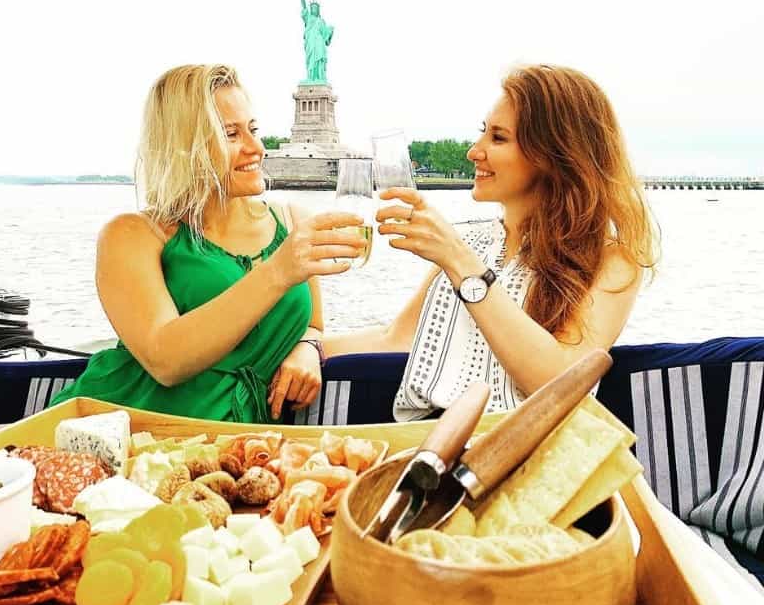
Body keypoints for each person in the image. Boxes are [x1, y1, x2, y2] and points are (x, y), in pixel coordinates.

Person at [326, 64, 660, 420]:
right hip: (432, 442)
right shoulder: (468, 240)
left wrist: (462, 265)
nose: (473, 151)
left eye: (498, 138)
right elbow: (396, 339)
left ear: (553, 154)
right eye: (483, 133)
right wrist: (304, 346)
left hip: (527, 459)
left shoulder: (613, 260)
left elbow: (559, 381)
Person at [50, 64, 365, 423]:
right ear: (183, 147)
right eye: (231, 135)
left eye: (253, 129)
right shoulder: (133, 235)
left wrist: (307, 348)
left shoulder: (293, 223)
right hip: (118, 432)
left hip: (233, 450)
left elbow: (313, 326)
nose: (257, 148)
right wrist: (278, 271)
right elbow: (165, 359)